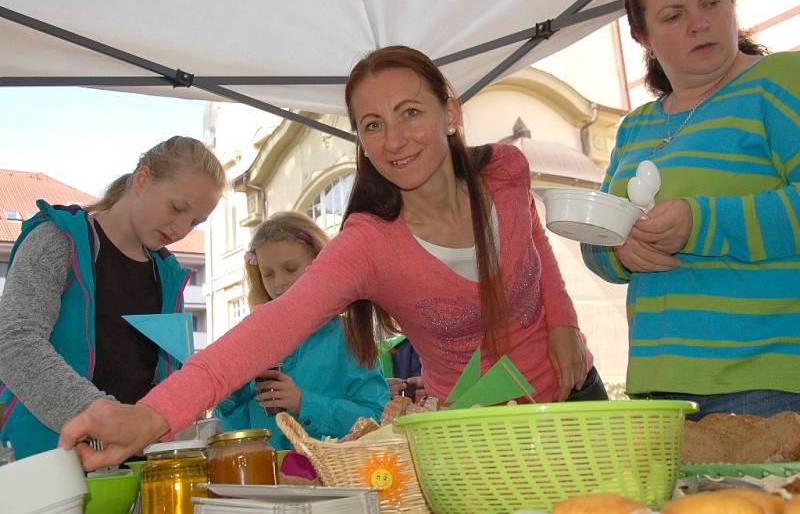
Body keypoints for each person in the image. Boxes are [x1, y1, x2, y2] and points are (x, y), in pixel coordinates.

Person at [59, 45, 606, 470]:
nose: (394, 141)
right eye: (372, 125)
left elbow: (534, 244)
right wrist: (152, 415)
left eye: (409, 112)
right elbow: (267, 329)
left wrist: (563, 323)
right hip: (471, 438)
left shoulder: (505, 172)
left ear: (451, 112)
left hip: (576, 394)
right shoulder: (369, 244)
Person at [581, 0, 800, 418]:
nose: (700, 24)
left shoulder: (782, 81)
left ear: (732, 4)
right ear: (644, 37)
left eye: (711, 3)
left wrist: (699, 222)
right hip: (658, 393)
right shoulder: (636, 126)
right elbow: (594, 238)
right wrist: (617, 249)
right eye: (673, 16)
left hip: (770, 387)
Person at [0, 136, 225, 459]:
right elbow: (13, 342)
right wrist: (103, 418)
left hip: (133, 462)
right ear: (142, 179)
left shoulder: (169, 273)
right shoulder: (56, 241)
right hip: (46, 458)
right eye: (177, 208)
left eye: (195, 222)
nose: (180, 228)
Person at [212, 211, 389, 449]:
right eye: (268, 274)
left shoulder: (349, 336)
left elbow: (375, 420)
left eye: (291, 268)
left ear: (321, 264)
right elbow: (231, 428)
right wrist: (230, 393)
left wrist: (303, 403)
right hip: (268, 478)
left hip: (333, 477)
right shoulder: (254, 337)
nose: (279, 283)